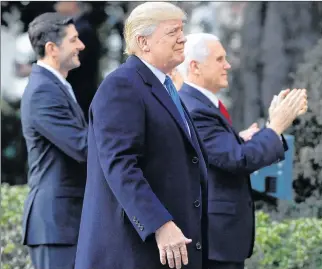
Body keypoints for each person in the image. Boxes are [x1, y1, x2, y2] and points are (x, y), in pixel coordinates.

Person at [74, 3, 208, 269]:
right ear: (143, 42)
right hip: (133, 253)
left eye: (182, 30)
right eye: (172, 32)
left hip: (167, 252)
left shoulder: (165, 87)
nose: (183, 38)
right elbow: (121, 165)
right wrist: (159, 224)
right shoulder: (121, 85)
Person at [177, 33, 308, 269]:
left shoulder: (202, 104)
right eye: (219, 60)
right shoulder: (196, 109)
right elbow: (237, 160)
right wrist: (277, 127)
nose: (227, 65)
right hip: (214, 240)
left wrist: (260, 132)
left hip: (220, 239)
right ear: (195, 67)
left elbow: (221, 153)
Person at [20, 12, 87, 269]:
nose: (81, 46)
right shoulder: (42, 91)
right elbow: (82, 146)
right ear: (52, 48)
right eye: (74, 40)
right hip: (56, 225)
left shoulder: (55, 86)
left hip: (65, 223)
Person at [54, 1, 101, 121]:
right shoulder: (80, 28)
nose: (56, 3)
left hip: (78, 97)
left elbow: (71, 63)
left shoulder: (82, 30)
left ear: (72, 3)